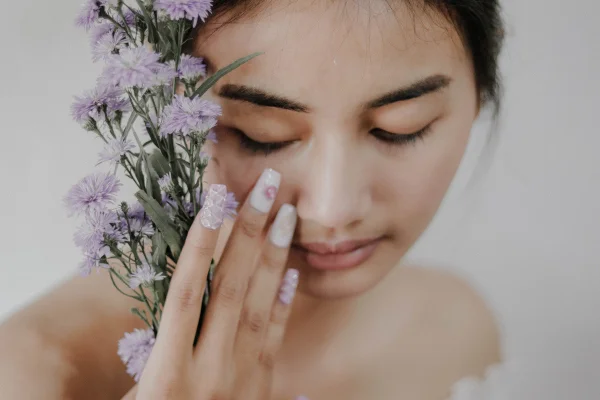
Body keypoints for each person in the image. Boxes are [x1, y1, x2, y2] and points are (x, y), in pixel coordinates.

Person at [0, 0, 504, 399]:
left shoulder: (453, 324)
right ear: (171, 108)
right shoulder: (34, 377)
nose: (332, 208)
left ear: (480, 93)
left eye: (400, 129)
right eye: (264, 136)